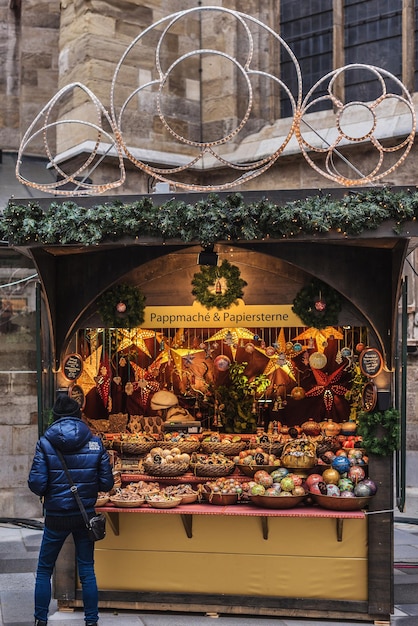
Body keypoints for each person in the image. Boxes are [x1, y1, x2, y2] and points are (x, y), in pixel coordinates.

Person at [28, 395, 114, 626]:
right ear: (78, 415)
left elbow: (36, 484)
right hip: (84, 515)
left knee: (45, 569)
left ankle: (40, 620)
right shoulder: (95, 441)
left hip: (56, 515)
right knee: (87, 570)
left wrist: (53, 488)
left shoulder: (45, 442)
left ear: (55, 418)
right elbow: (107, 484)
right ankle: (91, 621)